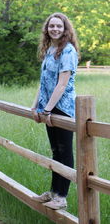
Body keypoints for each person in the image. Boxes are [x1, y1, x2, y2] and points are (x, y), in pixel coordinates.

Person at [31, 12, 79, 210]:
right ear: (47, 29)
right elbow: (44, 84)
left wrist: (47, 110)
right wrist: (35, 106)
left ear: (65, 29)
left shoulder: (67, 51)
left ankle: (62, 197)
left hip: (63, 108)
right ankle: (53, 192)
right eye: (52, 26)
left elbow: (61, 84)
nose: (55, 29)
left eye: (59, 26)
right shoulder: (50, 49)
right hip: (48, 107)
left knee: (65, 151)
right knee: (55, 151)